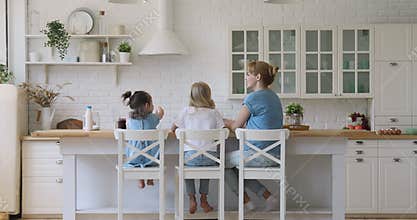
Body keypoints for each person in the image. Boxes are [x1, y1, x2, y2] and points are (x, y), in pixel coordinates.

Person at [224, 61, 283, 211]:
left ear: (257, 77)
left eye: (248, 74)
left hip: (256, 155)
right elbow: (256, 123)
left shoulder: (252, 98)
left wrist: (223, 121)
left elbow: (236, 125)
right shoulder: (274, 97)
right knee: (237, 166)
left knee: (221, 162)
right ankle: (268, 197)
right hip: (275, 155)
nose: (245, 77)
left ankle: (246, 202)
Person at [172, 82, 224, 214]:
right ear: (209, 95)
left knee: (186, 164)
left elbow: (173, 129)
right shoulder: (214, 113)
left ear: (191, 96)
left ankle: (191, 198)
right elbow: (222, 131)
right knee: (206, 162)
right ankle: (204, 199)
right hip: (210, 159)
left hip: (190, 159)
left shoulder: (185, 111)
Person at [122, 90, 164, 188]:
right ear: (146, 105)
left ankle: (140, 180)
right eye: (152, 103)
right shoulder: (153, 119)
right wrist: (160, 111)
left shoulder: (130, 119)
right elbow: (160, 115)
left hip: (133, 158)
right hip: (152, 159)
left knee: (137, 157)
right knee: (151, 157)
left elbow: (127, 124)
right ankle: (150, 178)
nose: (153, 106)